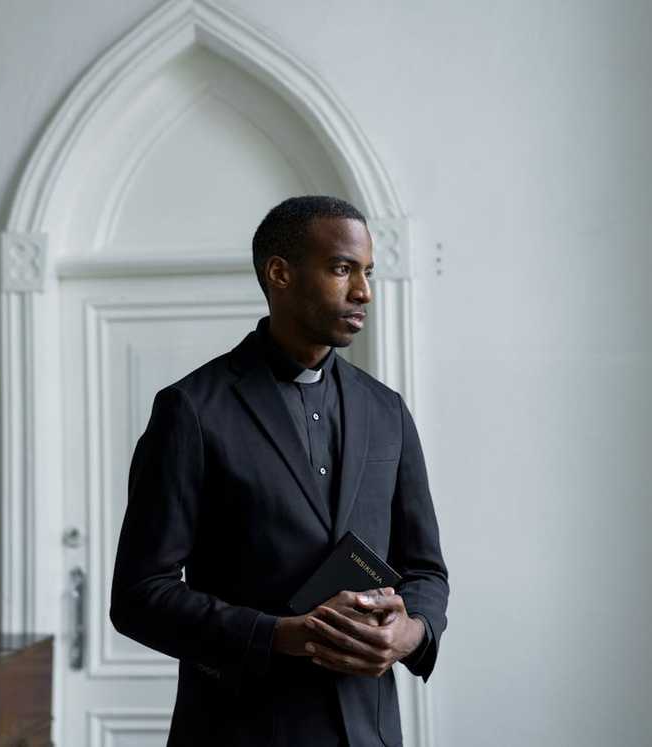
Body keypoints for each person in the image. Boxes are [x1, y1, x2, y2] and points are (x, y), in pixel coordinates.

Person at [109, 195, 449, 746]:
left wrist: (412, 632)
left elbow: (426, 569)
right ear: (280, 274)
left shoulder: (387, 410)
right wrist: (279, 636)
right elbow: (139, 596)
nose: (363, 291)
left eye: (367, 272)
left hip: (368, 732)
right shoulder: (191, 410)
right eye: (342, 269)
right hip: (239, 731)